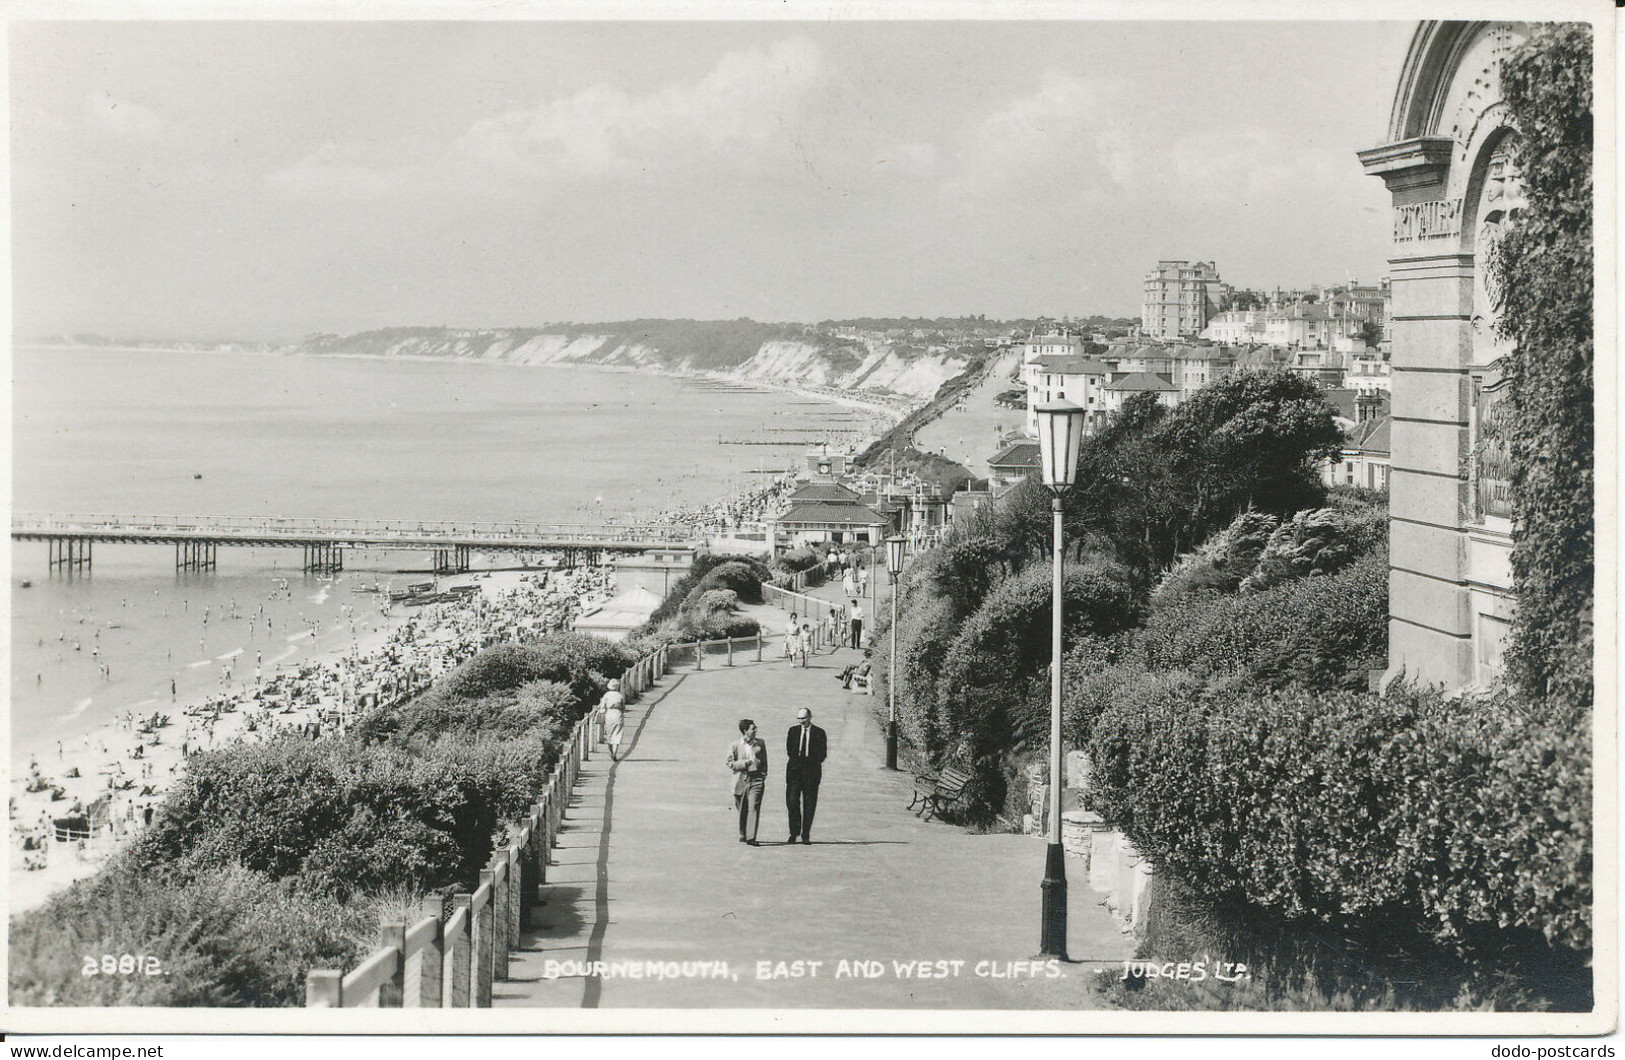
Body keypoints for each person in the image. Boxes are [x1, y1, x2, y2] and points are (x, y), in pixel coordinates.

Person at [785, 708, 828, 844]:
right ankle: (794, 832)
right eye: (799, 719)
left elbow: (823, 754)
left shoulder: (819, 733)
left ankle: (805, 834)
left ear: (810, 717)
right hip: (794, 773)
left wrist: (810, 764)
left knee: (809, 804)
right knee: (792, 802)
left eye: (803, 718)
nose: (801, 721)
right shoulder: (793, 731)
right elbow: (789, 750)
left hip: (811, 773)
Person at [726, 719, 768, 845]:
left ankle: (751, 837)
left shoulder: (760, 743)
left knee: (753, 808)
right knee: (742, 809)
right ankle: (743, 833)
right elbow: (729, 763)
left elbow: (765, 761)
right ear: (745, 731)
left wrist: (762, 775)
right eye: (753, 728)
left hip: (756, 780)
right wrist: (744, 764)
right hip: (741, 781)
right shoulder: (735, 745)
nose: (755, 731)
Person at [599, 678, 627, 761]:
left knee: (609, 734)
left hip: (609, 714)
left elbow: (602, 706)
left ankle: (611, 751)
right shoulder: (620, 695)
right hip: (618, 714)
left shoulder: (606, 695)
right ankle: (615, 753)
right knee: (617, 733)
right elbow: (623, 707)